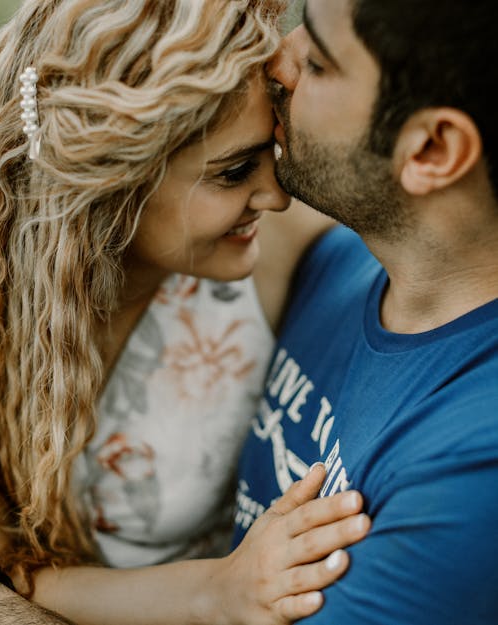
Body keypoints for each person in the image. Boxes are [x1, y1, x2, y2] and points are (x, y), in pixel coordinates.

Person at [0, 1, 373, 624]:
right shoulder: (11, 314)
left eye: (268, 155)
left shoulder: (274, 248)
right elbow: (19, 572)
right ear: (112, 186)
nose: (276, 196)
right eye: (232, 172)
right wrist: (219, 592)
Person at [233, 0, 498, 623]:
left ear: (432, 149)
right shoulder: (341, 260)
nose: (279, 59)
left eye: (319, 63)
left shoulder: (473, 468)